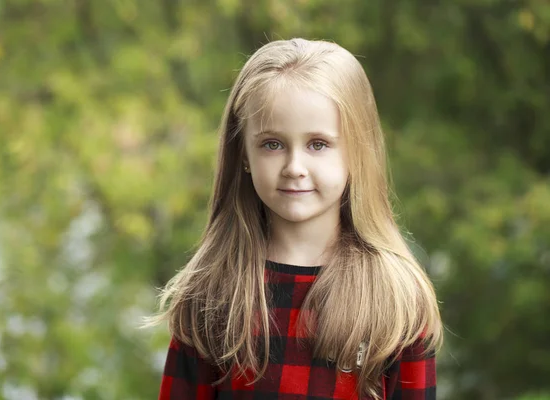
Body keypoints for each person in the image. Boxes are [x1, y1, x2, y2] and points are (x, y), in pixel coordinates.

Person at [144, 38, 444, 399]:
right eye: (273, 144)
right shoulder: (210, 293)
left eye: (318, 144)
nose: (294, 168)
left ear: (357, 152)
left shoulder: (395, 297)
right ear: (243, 154)